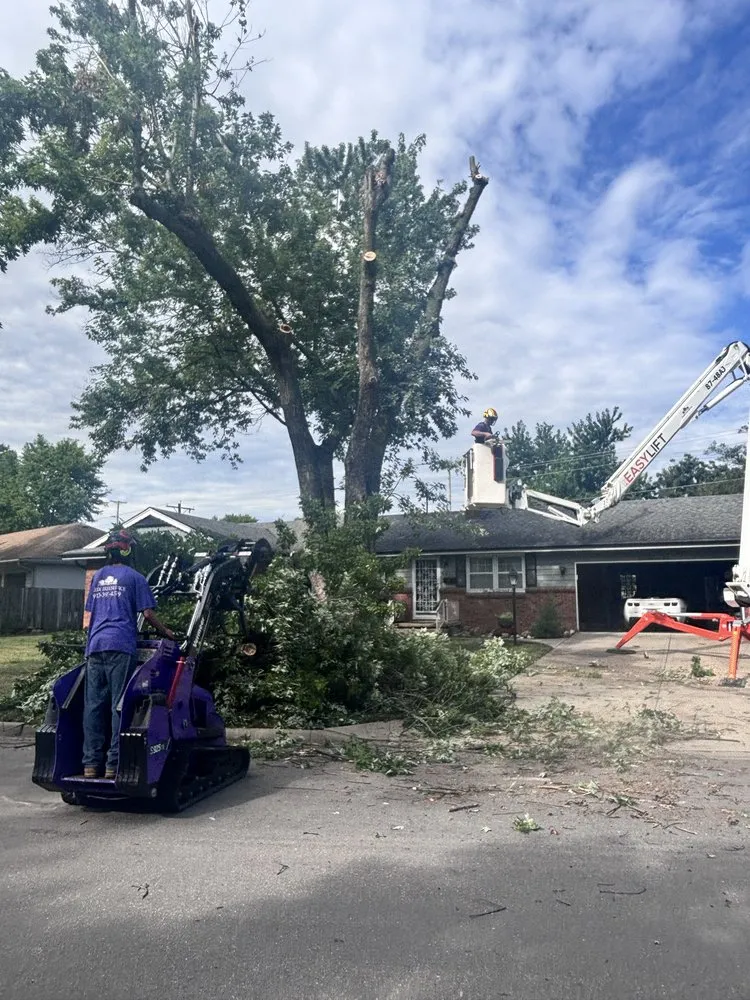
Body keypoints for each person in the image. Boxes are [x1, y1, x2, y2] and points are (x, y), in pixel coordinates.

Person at [82, 529, 175, 779]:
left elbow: (92, 613)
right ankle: (113, 765)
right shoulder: (135, 577)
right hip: (120, 645)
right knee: (118, 705)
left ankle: (90, 764)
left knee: (93, 706)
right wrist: (165, 631)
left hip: (95, 646)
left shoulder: (98, 577)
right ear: (128, 550)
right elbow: (147, 614)